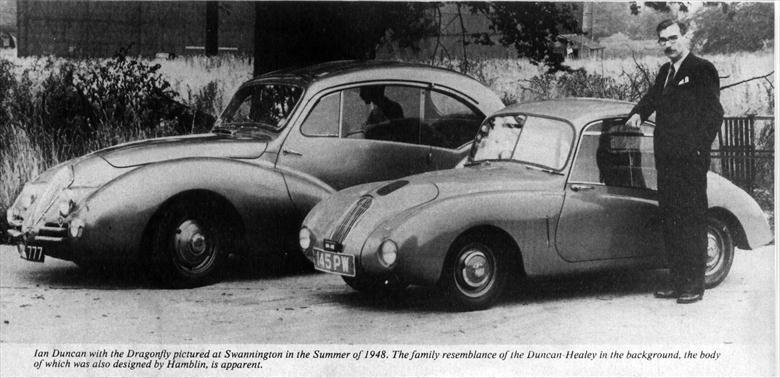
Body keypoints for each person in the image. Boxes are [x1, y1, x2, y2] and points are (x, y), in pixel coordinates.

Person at [625, 19, 723, 304]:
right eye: (663, 40)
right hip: (666, 161)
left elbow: (715, 114)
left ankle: (694, 285)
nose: (668, 44)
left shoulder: (701, 69)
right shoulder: (666, 72)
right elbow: (652, 97)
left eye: (672, 38)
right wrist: (637, 114)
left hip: (690, 162)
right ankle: (678, 282)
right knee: (672, 220)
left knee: (691, 220)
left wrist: (697, 149)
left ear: (685, 37)